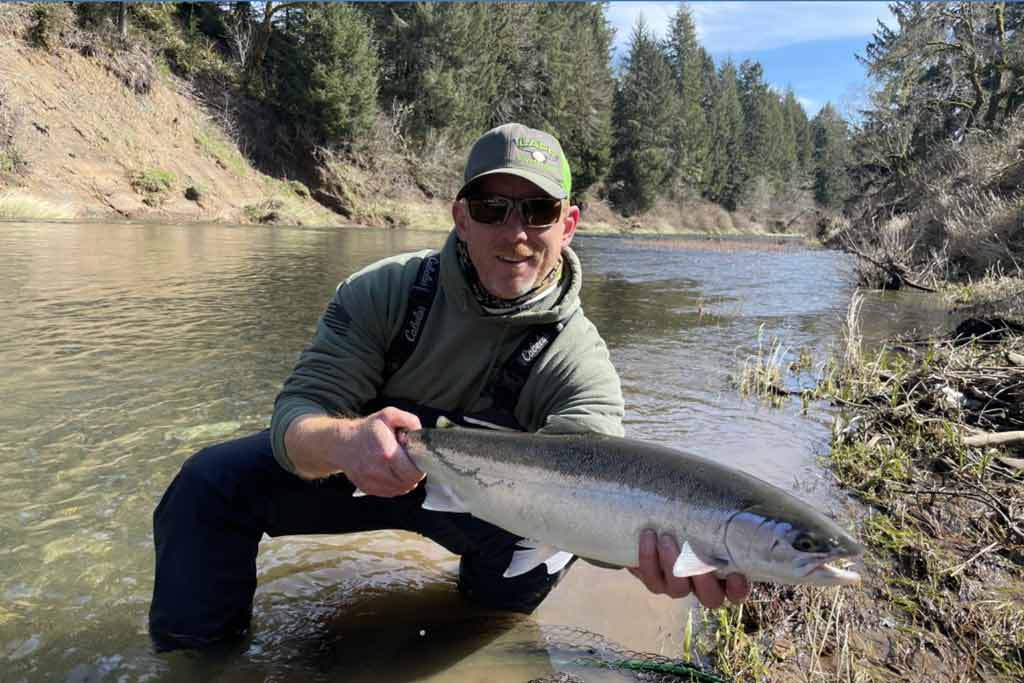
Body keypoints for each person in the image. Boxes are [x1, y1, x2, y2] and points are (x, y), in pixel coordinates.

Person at [148, 123, 750, 652]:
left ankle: (476, 628)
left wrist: (656, 550)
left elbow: (595, 507)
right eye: (492, 207)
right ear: (461, 217)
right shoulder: (385, 291)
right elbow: (296, 419)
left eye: (537, 211)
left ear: (567, 225)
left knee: (498, 619)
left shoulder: (581, 362)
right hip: (360, 473)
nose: (515, 232)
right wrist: (347, 441)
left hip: (497, 511)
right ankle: (197, 660)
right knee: (208, 486)